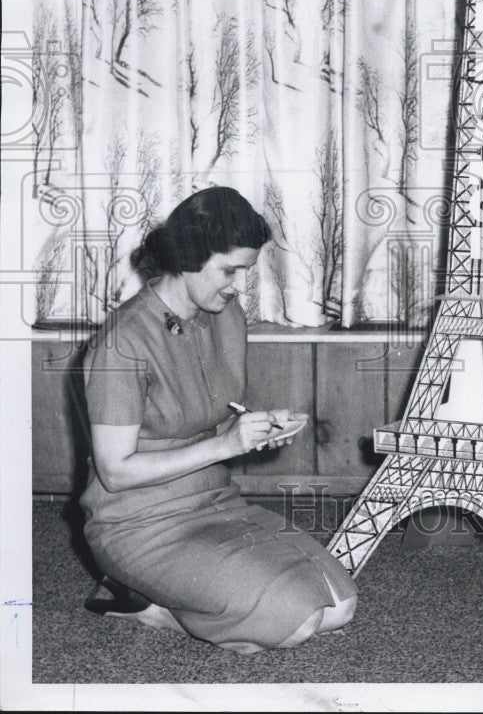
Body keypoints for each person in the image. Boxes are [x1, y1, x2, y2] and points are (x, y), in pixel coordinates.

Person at [80, 186, 357, 652]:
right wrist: (227, 444)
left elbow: (214, 412)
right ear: (187, 256)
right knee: (294, 624)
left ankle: (193, 597)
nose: (239, 285)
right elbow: (115, 471)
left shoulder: (226, 315)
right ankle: (149, 607)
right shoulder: (122, 343)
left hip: (214, 504)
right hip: (137, 526)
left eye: (245, 270)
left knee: (339, 607)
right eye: (230, 270)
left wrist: (256, 429)